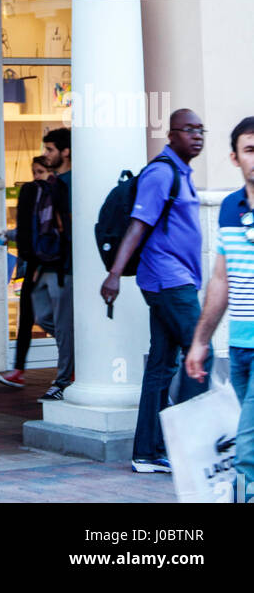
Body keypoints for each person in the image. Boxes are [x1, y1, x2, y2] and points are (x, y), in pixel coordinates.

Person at [100, 108, 211, 474]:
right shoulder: (161, 173)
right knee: (200, 355)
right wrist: (114, 274)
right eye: (188, 129)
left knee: (162, 366)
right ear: (171, 134)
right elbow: (137, 226)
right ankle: (186, 443)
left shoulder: (181, 172)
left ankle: (147, 452)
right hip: (168, 281)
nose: (197, 135)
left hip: (176, 280)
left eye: (200, 129)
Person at [186, 116, 254, 499]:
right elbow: (221, 281)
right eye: (249, 150)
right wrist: (200, 341)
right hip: (241, 347)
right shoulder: (229, 210)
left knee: (246, 453)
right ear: (234, 158)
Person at [0, 155, 52, 389]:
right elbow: (30, 230)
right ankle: (19, 369)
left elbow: (35, 231)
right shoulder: (41, 194)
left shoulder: (43, 194)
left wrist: (10, 236)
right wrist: (9, 235)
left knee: (44, 318)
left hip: (44, 264)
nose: (36, 176)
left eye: (41, 171)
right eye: (35, 171)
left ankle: (21, 370)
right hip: (36, 263)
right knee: (28, 316)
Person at [29, 129, 73, 401]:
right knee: (42, 315)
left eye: (50, 150)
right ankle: (79, 349)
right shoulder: (54, 181)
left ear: (65, 152)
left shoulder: (70, 183)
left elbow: (68, 222)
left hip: (64, 263)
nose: (46, 155)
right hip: (46, 260)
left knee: (63, 323)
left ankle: (63, 379)